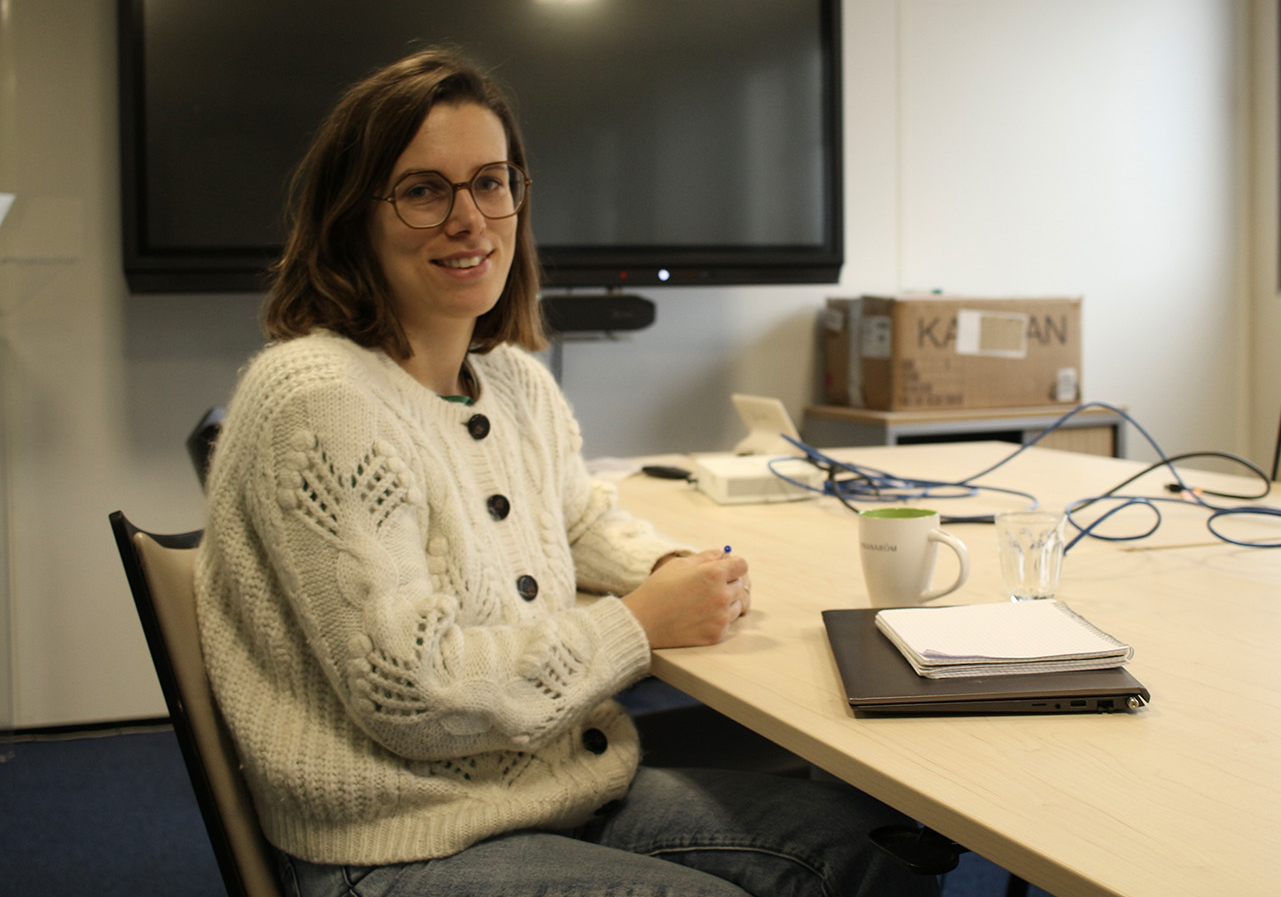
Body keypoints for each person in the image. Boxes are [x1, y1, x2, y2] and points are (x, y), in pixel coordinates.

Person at [195, 47, 938, 897]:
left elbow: (578, 519)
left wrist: (665, 569)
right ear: (352, 216)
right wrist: (637, 623)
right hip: (396, 838)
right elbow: (412, 686)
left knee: (863, 849)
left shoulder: (510, 377)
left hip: (550, 785)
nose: (471, 219)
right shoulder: (317, 398)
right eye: (423, 189)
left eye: (491, 181)